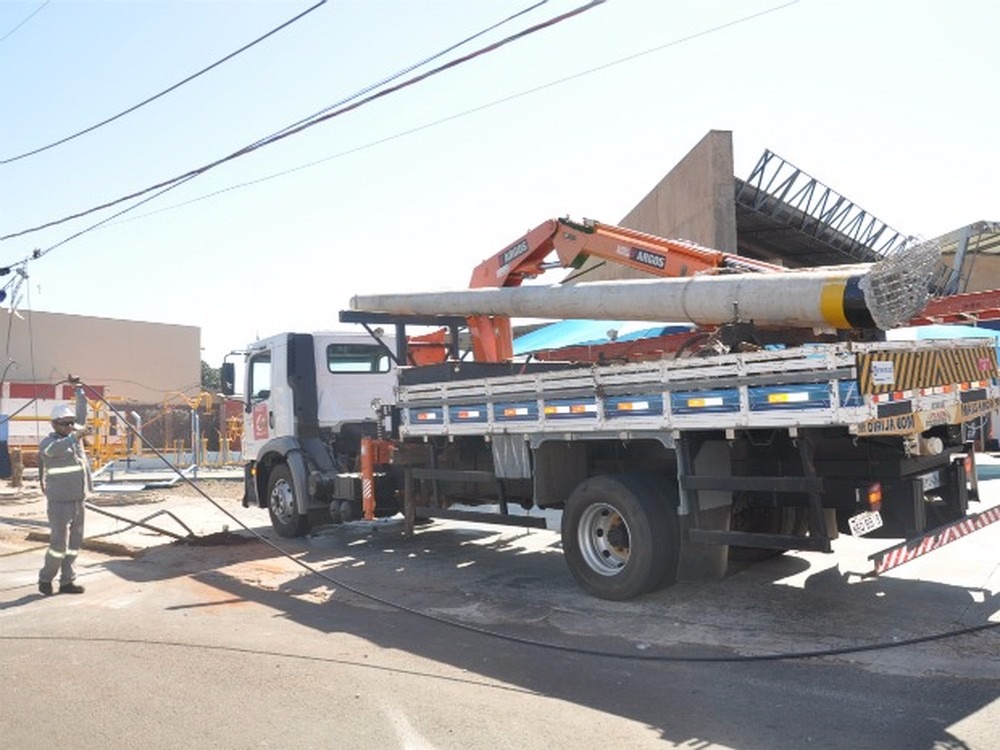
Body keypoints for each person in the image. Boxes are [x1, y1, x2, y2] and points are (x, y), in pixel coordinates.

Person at [37, 388, 92, 596]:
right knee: (58, 545)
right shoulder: (49, 444)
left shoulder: (73, 438)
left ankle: (67, 581)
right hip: (59, 503)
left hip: (78, 501)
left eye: (71, 423)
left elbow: (81, 413)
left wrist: (79, 391)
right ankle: (45, 579)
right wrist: (74, 436)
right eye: (65, 423)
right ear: (54, 424)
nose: (70, 426)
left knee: (74, 545)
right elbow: (55, 450)